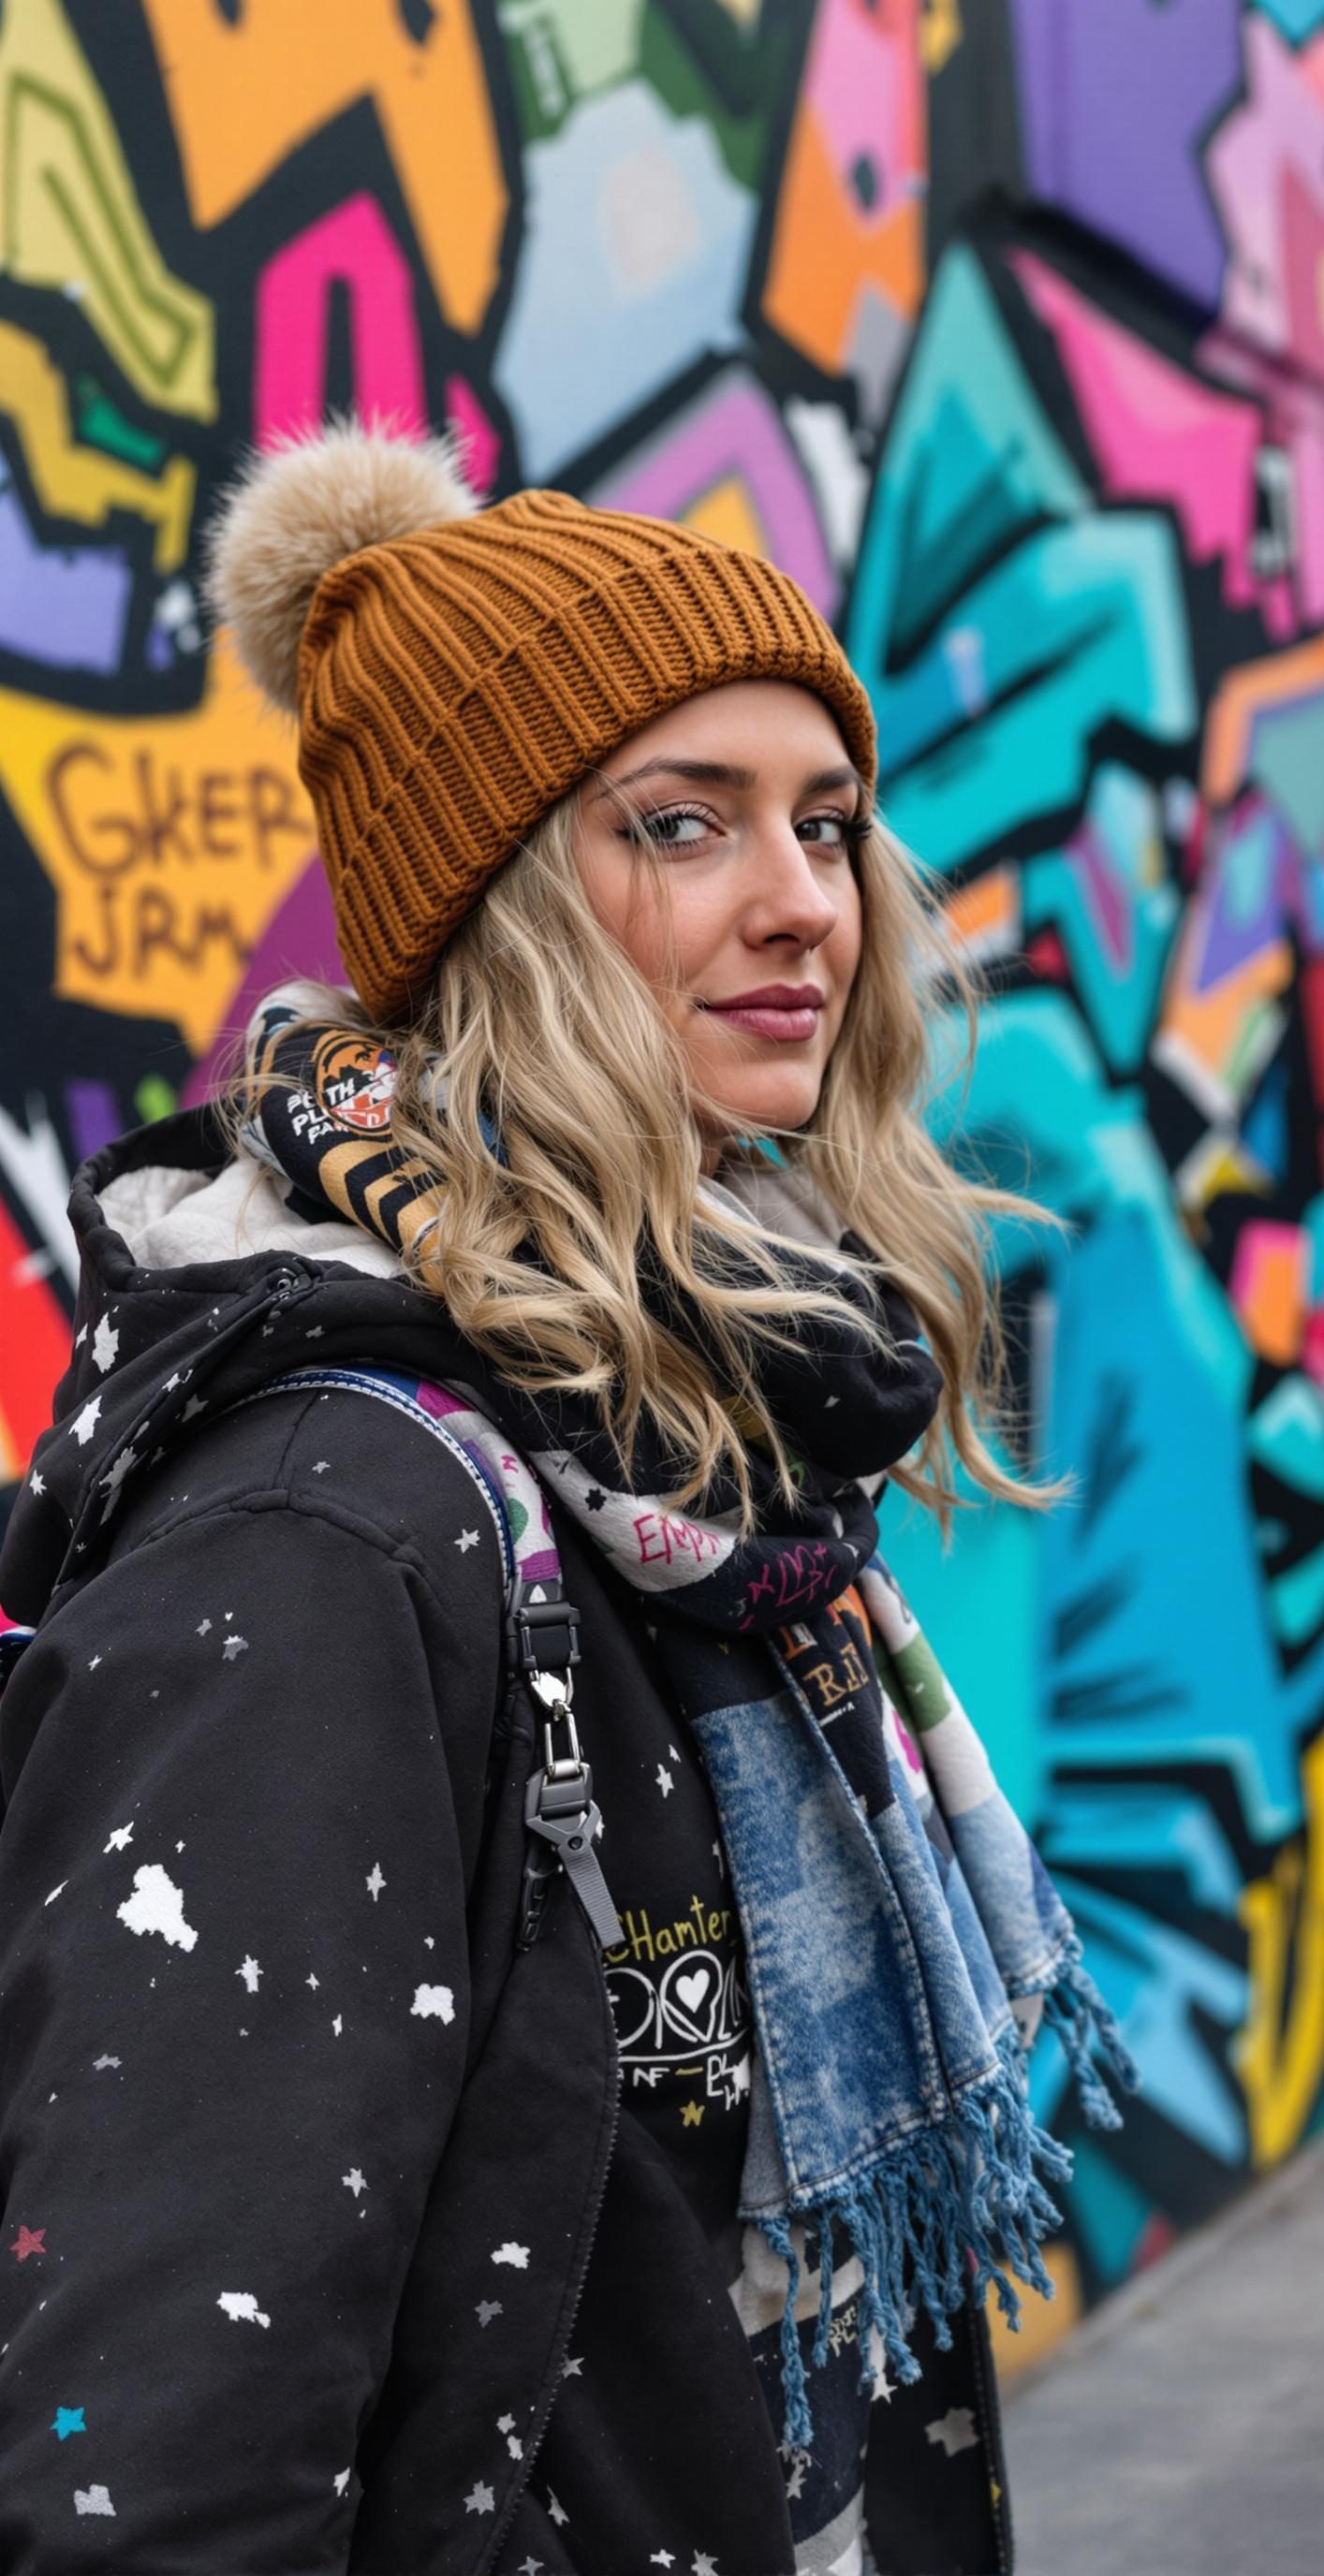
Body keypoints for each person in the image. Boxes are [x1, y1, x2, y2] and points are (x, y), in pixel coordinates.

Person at [0, 423, 1134, 2576]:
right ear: (492, 910)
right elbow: (160, 2474)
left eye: (825, 822)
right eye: (679, 826)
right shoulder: (321, 1550)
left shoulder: (705, 1442)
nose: (802, 895)